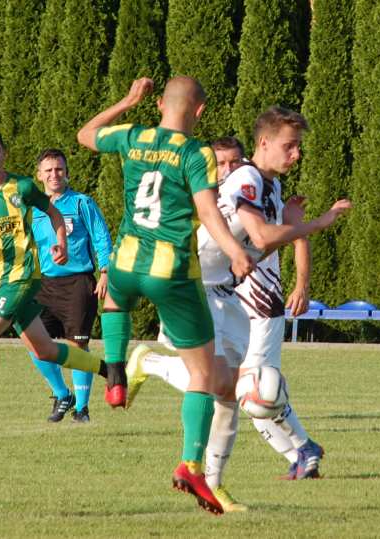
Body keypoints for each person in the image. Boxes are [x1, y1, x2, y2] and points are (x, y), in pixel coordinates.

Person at [125, 109, 351, 512]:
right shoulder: (246, 178)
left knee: (230, 391)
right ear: (264, 143)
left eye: (298, 146)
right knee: (221, 383)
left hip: (225, 294)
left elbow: (259, 245)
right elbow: (262, 235)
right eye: (289, 145)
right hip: (193, 285)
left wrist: (292, 223)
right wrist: (317, 223)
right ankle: (150, 364)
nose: (296, 153)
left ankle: (213, 484)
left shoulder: (271, 186)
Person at [76, 76, 254, 515]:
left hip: (125, 264)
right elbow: (210, 212)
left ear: (158, 104)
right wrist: (235, 252)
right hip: (171, 271)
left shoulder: (133, 136)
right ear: (200, 112)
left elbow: (84, 136)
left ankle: (116, 375)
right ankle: (192, 464)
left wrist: (126, 100)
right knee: (204, 375)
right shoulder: (197, 153)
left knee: (115, 302)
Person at [0, 130, 108, 438]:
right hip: (11, 281)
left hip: (32, 277)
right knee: (42, 349)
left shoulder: (35, 190)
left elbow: (63, 218)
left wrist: (69, 248)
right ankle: (110, 372)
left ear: (4, 154)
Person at [29, 148, 112, 423]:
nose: (55, 175)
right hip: (47, 286)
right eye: (49, 170)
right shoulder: (34, 209)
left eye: (59, 169)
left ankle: (82, 409)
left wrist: (105, 272)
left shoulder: (81, 203)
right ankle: (62, 394)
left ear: (67, 172)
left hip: (79, 283)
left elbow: (101, 236)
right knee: (34, 342)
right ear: (39, 175)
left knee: (77, 347)